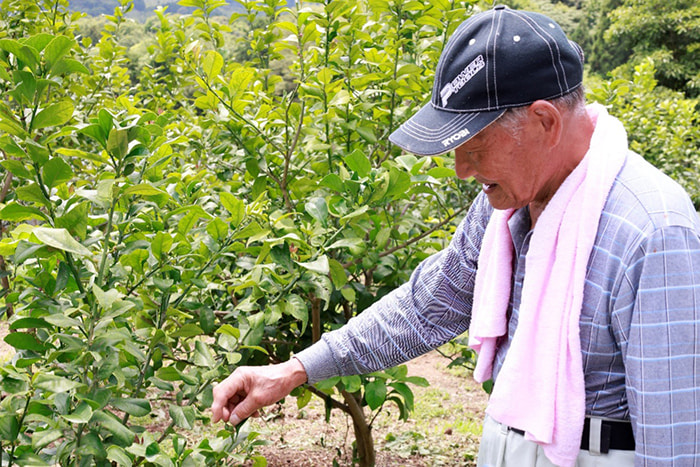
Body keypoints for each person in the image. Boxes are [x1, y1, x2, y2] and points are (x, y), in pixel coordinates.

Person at [211, 5, 700, 466]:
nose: (462, 170)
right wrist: (293, 369)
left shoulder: (651, 231)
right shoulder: (502, 211)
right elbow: (427, 307)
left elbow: (677, 435)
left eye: (474, 146)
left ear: (544, 121)